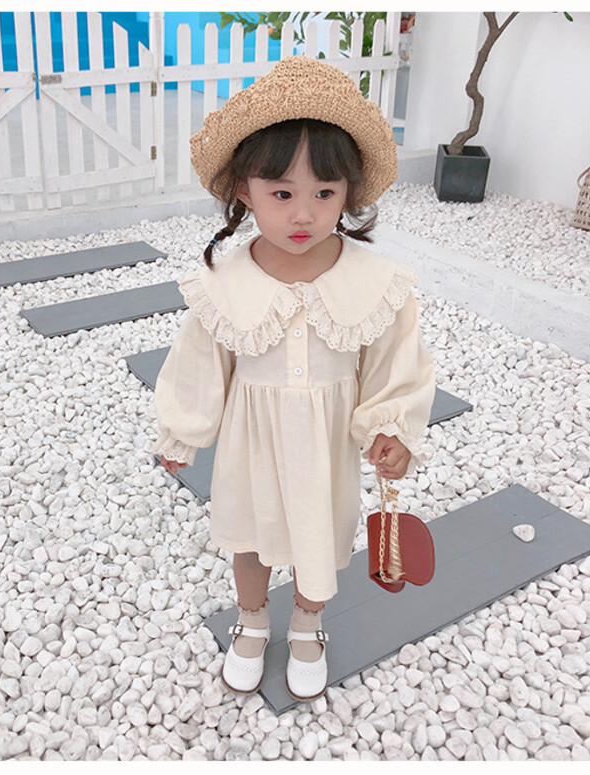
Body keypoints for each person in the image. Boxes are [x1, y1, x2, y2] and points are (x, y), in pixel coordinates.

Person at [153, 56, 435, 703]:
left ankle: (308, 623)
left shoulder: (374, 282)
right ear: (242, 190)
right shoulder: (225, 281)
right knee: (249, 534)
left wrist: (391, 427)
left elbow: (396, 362)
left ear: (349, 193)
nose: (303, 213)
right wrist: (182, 430)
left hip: (326, 443)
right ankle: (252, 620)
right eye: (282, 193)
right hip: (251, 440)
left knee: (319, 535)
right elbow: (200, 360)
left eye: (324, 193)